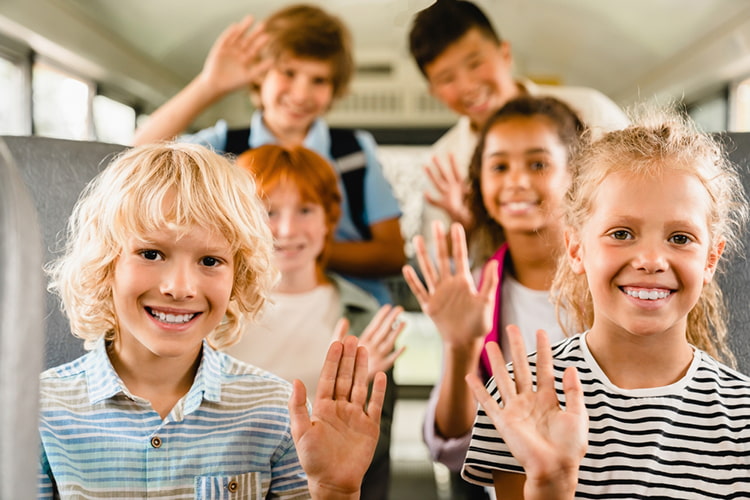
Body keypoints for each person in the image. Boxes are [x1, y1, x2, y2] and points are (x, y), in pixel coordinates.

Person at [38, 142, 387, 499]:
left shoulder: (276, 412)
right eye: (151, 253)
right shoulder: (38, 410)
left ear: (239, 277)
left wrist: (334, 491)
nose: (179, 287)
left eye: (209, 261)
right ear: (105, 264)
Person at [461, 105, 750, 498]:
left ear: (711, 259)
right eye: (622, 233)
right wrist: (550, 485)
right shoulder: (519, 396)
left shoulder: (742, 415)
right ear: (576, 249)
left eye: (680, 238)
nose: (651, 260)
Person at [133, 4, 405, 305]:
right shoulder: (222, 147)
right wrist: (209, 86)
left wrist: (296, 248)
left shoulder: (353, 152)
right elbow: (135, 157)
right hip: (254, 313)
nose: (301, 94)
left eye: (319, 80)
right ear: (260, 75)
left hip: (350, 312)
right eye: (288, 73)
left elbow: (391, 253)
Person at [401, 96, 587, 497]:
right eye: (499, 166)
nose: (516, 181)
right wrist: (460, 346)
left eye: (538, 164)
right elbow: (451, 445)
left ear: (576, 174)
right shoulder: (478, 289)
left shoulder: (612, 283)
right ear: (480, 182)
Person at [227, 144, 405, 500]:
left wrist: (356, 390)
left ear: (329, 219)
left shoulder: (365, 316)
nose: (288, 229)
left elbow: (375, 453)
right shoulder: (212, 310)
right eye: (269, 212)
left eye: (305, 210)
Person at [408, 0, 629, 249]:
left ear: (505, 54)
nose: (468, 86)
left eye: (475, 64)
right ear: (434, 91)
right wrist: (465, 229)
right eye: (447, 79)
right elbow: (440, 266)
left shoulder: (590, 112)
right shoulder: (443, 165)